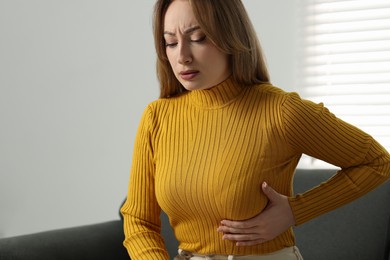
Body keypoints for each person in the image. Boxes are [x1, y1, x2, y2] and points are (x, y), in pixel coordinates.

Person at [120, 0, 390, 259]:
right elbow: (138, 219)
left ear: (230, 36)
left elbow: (377, 162)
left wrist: (295, 211)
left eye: (198, 38)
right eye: (171, 42)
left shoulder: (281, 111)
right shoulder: (157, 117)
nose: (182, 56)